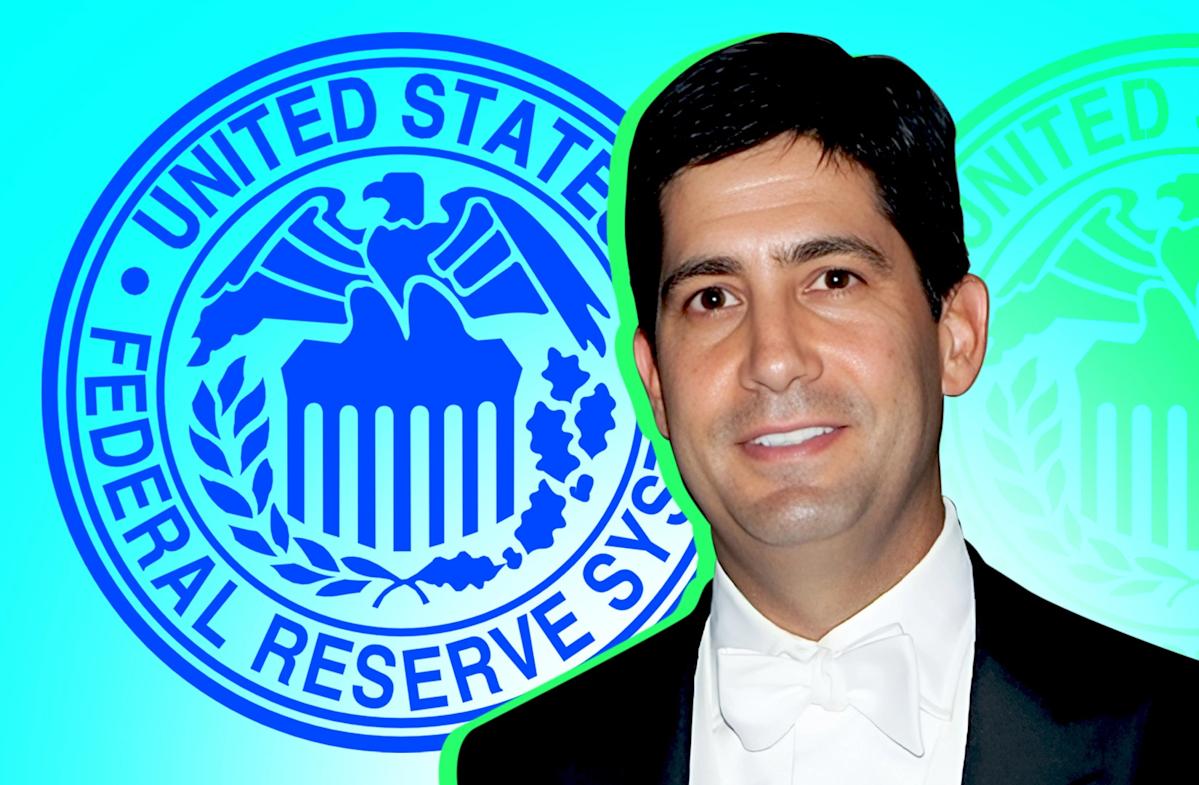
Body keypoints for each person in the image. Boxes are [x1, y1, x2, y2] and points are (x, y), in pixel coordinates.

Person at [454, 33, 1196, 785]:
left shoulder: (1171, 736)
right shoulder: (519, 769)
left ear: (956, 334)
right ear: (655, 383)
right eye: (712, 298)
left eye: (833, 280)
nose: (773, 359)